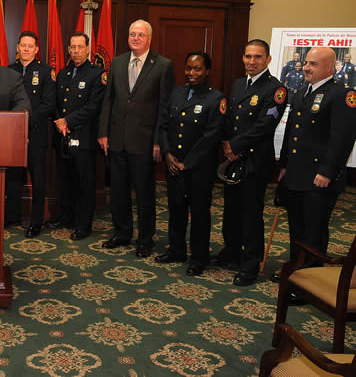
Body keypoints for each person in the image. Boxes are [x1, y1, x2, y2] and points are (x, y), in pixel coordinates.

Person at [211, 39, 287, 286]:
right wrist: (226, 143)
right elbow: (230, 118)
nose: (251, 62)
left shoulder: (275, 90)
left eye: (257, 57)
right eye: (247, 56)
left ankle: (250, 265)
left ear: (268, 59)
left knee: (250, 214)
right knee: (232, 210)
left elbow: (265, 125)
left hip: (255, 161)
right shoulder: (239, 83)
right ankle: (231, 252)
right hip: (233, 158)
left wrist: (236, 145)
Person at [97, 20, 174, 257]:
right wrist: (103, 132)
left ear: (149, 38)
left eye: (141, 35)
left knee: (144, 194)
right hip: (117, 139)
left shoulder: (163, 65)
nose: (136, 38)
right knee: (118, 192)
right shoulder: (118, 62)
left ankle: (145, 240)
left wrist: (159, 141)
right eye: (132, 34)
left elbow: (164, 106)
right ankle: (121, 234)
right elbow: (108, 99)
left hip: (144, 141)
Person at [278, 47, 355, 269]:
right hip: (296, 174)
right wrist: (284, 165)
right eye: (307, 63)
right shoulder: (303, 91)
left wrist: (327, 171)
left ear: (330, 67)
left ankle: (310, 276)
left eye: (313, 64)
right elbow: (292, 133)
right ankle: (296, 269)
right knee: (296, 225)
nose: (306, 68)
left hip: (319, 177)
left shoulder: (342, 94)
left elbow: (342, 137)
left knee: (314, 229)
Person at [156, 52, 226, 276]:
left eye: (197, 69)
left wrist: (188, 162)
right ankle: (176, 250)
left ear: (207, 71)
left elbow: (211, 136)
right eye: (188, 68)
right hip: (174, 164)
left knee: (199, 214)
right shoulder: (177, 93)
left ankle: (199, 258)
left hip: (199, 168)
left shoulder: (216, 99)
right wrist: (167, 154)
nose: (191, 73)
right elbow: (164, 126)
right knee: (176, 209)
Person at [47, 32, 105, 241]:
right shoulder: (62, 73)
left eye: (80, 47)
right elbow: (54, 102)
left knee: (85, 184)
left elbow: (93, 107)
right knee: (65, 180)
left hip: (84, 137)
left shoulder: (97, 74)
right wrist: (58, 121)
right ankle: (65, 216)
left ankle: (83, 224)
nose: (76, 51)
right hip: (63, 136)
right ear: (68, 50)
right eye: (73, 47)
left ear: (88, 49)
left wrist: (67, 121)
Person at [5, 31, 56, 236]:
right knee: (13, 177)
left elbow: (49, 104)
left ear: (36, 49)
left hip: (36, 133)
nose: (25, 49)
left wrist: (25, 121)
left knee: (38, 178)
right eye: (22, 45)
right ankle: (11, 216)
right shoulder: (8, 71)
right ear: (17, 48)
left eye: (30, 46)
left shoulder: (45, 72)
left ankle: (36, 221)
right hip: (11, 133)